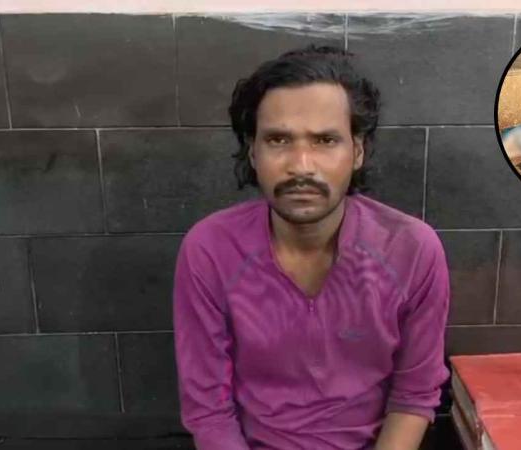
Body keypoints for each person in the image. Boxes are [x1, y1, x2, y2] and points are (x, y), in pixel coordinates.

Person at [173, 44, 451, 450]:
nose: (301, 164)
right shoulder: (210, 249)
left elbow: (415, 394)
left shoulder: (412, 249)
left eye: (325, 140)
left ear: (357, 151)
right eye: (278, 139)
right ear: (253, 151)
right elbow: (208, 410)